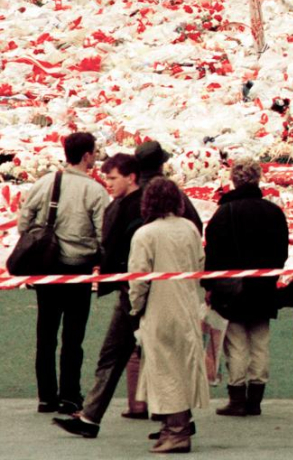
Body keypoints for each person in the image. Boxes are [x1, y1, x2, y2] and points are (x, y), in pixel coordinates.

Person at [53, 155, 145, 438]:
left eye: (113, 178)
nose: (109, 184)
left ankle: (179, 419)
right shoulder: (121, 204)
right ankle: (90, 418)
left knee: (145, 355)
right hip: (128, 289)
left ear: (131, 177)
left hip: (137, 290)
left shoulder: (139, 208)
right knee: (115, 354)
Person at [19, 132, 108, 415]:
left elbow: (24, 220)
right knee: (73, 337)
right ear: (86, 156)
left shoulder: (46, 182)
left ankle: (46, 396)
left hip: (46, 268)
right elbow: (103, 232)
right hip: (78, 269)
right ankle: (70, 394)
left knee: (45, 334)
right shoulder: (95, 191)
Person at [202, 157, 289, 418]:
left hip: (232, 290)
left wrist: (209, 285)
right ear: (259, 178)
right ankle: (255, 398)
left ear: (234, 180)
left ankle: (237, 398)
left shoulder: (223, 213)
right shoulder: (274, 212)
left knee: (237, 344)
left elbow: (213, 254)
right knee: (260, 343)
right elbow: (281, 253)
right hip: (264, 288)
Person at [128, 177, 208, 454]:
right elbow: (199, 263)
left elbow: (138, 277)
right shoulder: (190, 229)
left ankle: (177, 432)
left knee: (165, 370)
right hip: (186, 305)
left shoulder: (145, 234)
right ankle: (174, 426)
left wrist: (135, 306)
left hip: (159, 309)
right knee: (181, 368)